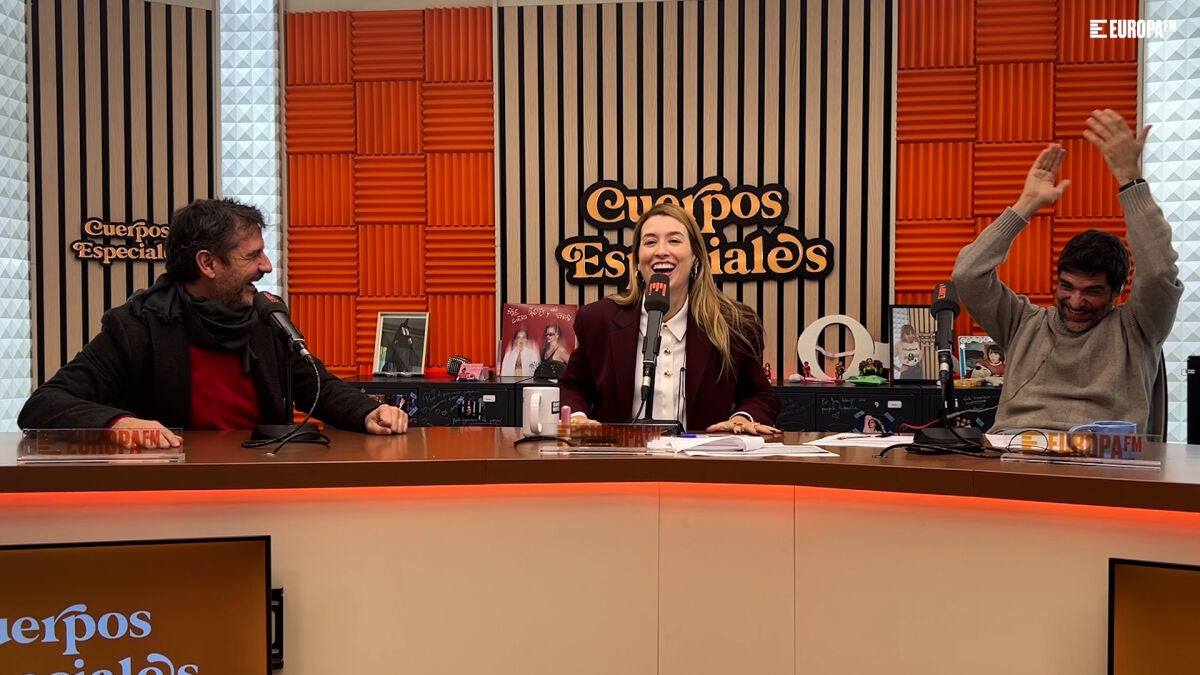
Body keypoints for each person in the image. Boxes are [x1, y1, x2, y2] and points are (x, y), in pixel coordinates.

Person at [17, 198, 409, 446]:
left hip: (265, 481)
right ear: (208, 263)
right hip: (173, 492)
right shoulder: (136, 326)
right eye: (252, 256)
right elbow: (44, 405)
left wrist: (365, 411)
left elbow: (316, 386)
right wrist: (118, 423)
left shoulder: (265, 315)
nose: (267, 267)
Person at [951, 108, 1182, 433]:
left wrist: (1130, 180)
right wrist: (1026, 205)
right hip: (1017, 454)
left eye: (1092, 291)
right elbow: (967, 274)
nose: (1075, 301)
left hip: (1101, 459)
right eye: (1067, 286)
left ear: (1117, 292)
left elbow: (1158, 272)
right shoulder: (1022, 323)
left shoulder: (1139, 328)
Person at [558, 202, 780, 435]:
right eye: (650, 242)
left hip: (700, 456)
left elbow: (760, 395)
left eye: (674, 240)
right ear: (637, 261)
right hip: (621, 455)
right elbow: (572, 387)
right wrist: (577, 419)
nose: (661, 251)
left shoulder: (733, 323)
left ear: (695, 258)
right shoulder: (598, 320)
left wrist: (742, 419)